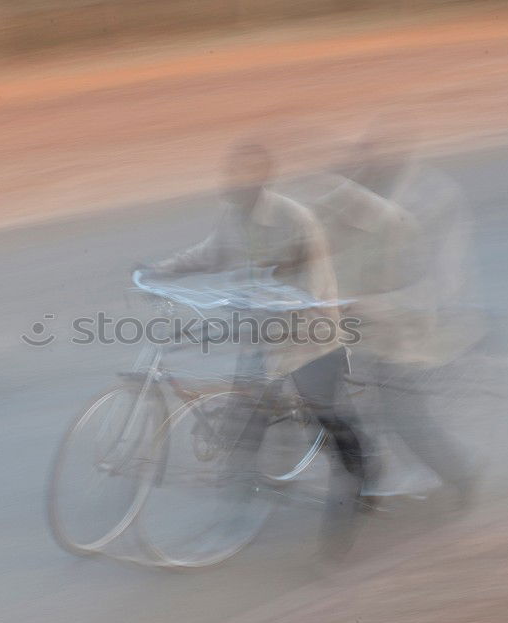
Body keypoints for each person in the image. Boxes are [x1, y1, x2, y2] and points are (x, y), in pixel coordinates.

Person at [143, 142, 376, 557]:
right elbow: (211, 254)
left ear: (263, 181)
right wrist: (161, 271)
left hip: (309, 342)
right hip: (263, 342)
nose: (236, 184)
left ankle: (361, 484)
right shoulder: (234, 217)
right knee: (243, 432)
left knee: (331, 428)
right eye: (234, 176)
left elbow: (312, 285)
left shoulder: (294, 220)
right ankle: (234, 520)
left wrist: (266, 303)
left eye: (247, 177)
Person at [309, 125, 486, 507]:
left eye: (367, 154)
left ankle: (461, 473)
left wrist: (369, 303)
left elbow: (437, 280)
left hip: (411, 322)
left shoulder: (429, 199)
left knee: (401, 412)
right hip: (359, 317)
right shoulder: (356, 192)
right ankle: (365, 472)